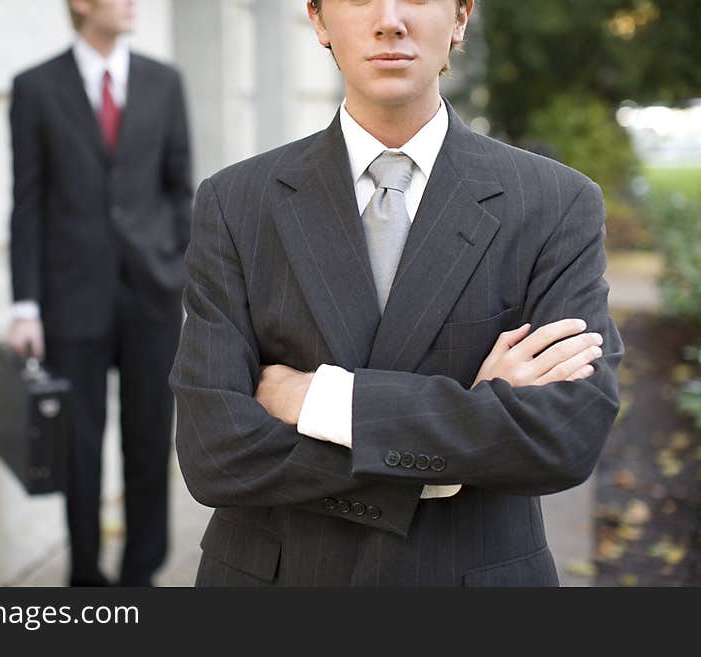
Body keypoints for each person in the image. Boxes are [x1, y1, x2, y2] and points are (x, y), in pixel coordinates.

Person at [169, 0, 623, 586]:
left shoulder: (555, 204)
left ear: (460, 17)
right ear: (317, 18)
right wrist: (469, 423)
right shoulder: (236, 203)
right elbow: (214, 455)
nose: (389, 19)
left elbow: (565, 435)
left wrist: (323, 402)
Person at [7, 0, 192, 586]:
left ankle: (142, 575)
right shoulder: (35, 88)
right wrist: (24, 306)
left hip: (152, 297)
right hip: (71, 298)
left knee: (147, 441)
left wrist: (180, 270)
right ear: (81, 4)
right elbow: (27, 203)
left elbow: (178, 189)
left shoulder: (165, 83)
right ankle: (85, 577)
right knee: (78, 449)